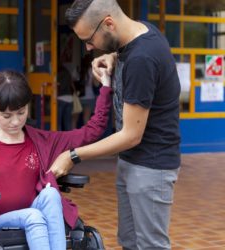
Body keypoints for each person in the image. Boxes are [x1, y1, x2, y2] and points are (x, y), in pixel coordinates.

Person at [48, 1, 181, 250]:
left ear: (108, 23)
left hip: (151, 167)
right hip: (132, 162)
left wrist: (73, 155)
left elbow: (131, 135)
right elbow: (129, 49)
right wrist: (111, 56)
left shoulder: (142, 59)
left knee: (151, 246)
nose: (88, 48)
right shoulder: (141, 32)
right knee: (129, 242)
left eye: (89, 39)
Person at [0, 70, 112, 250]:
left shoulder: (43, 141)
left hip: (34, 212)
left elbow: (92, 131)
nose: (16, 122)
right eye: (7, 116)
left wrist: (106, 86)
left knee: (50, 194)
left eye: (21, 112)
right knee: (33, 216)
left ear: (27, 106)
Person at [57, 64, 75, 131]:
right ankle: (69, 140)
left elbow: (61, 87)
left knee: (58, 123)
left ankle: (59, 140)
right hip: (70, 99)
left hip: (61, 99)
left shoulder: (59, 74)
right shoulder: (68, 74)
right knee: (67, 123)